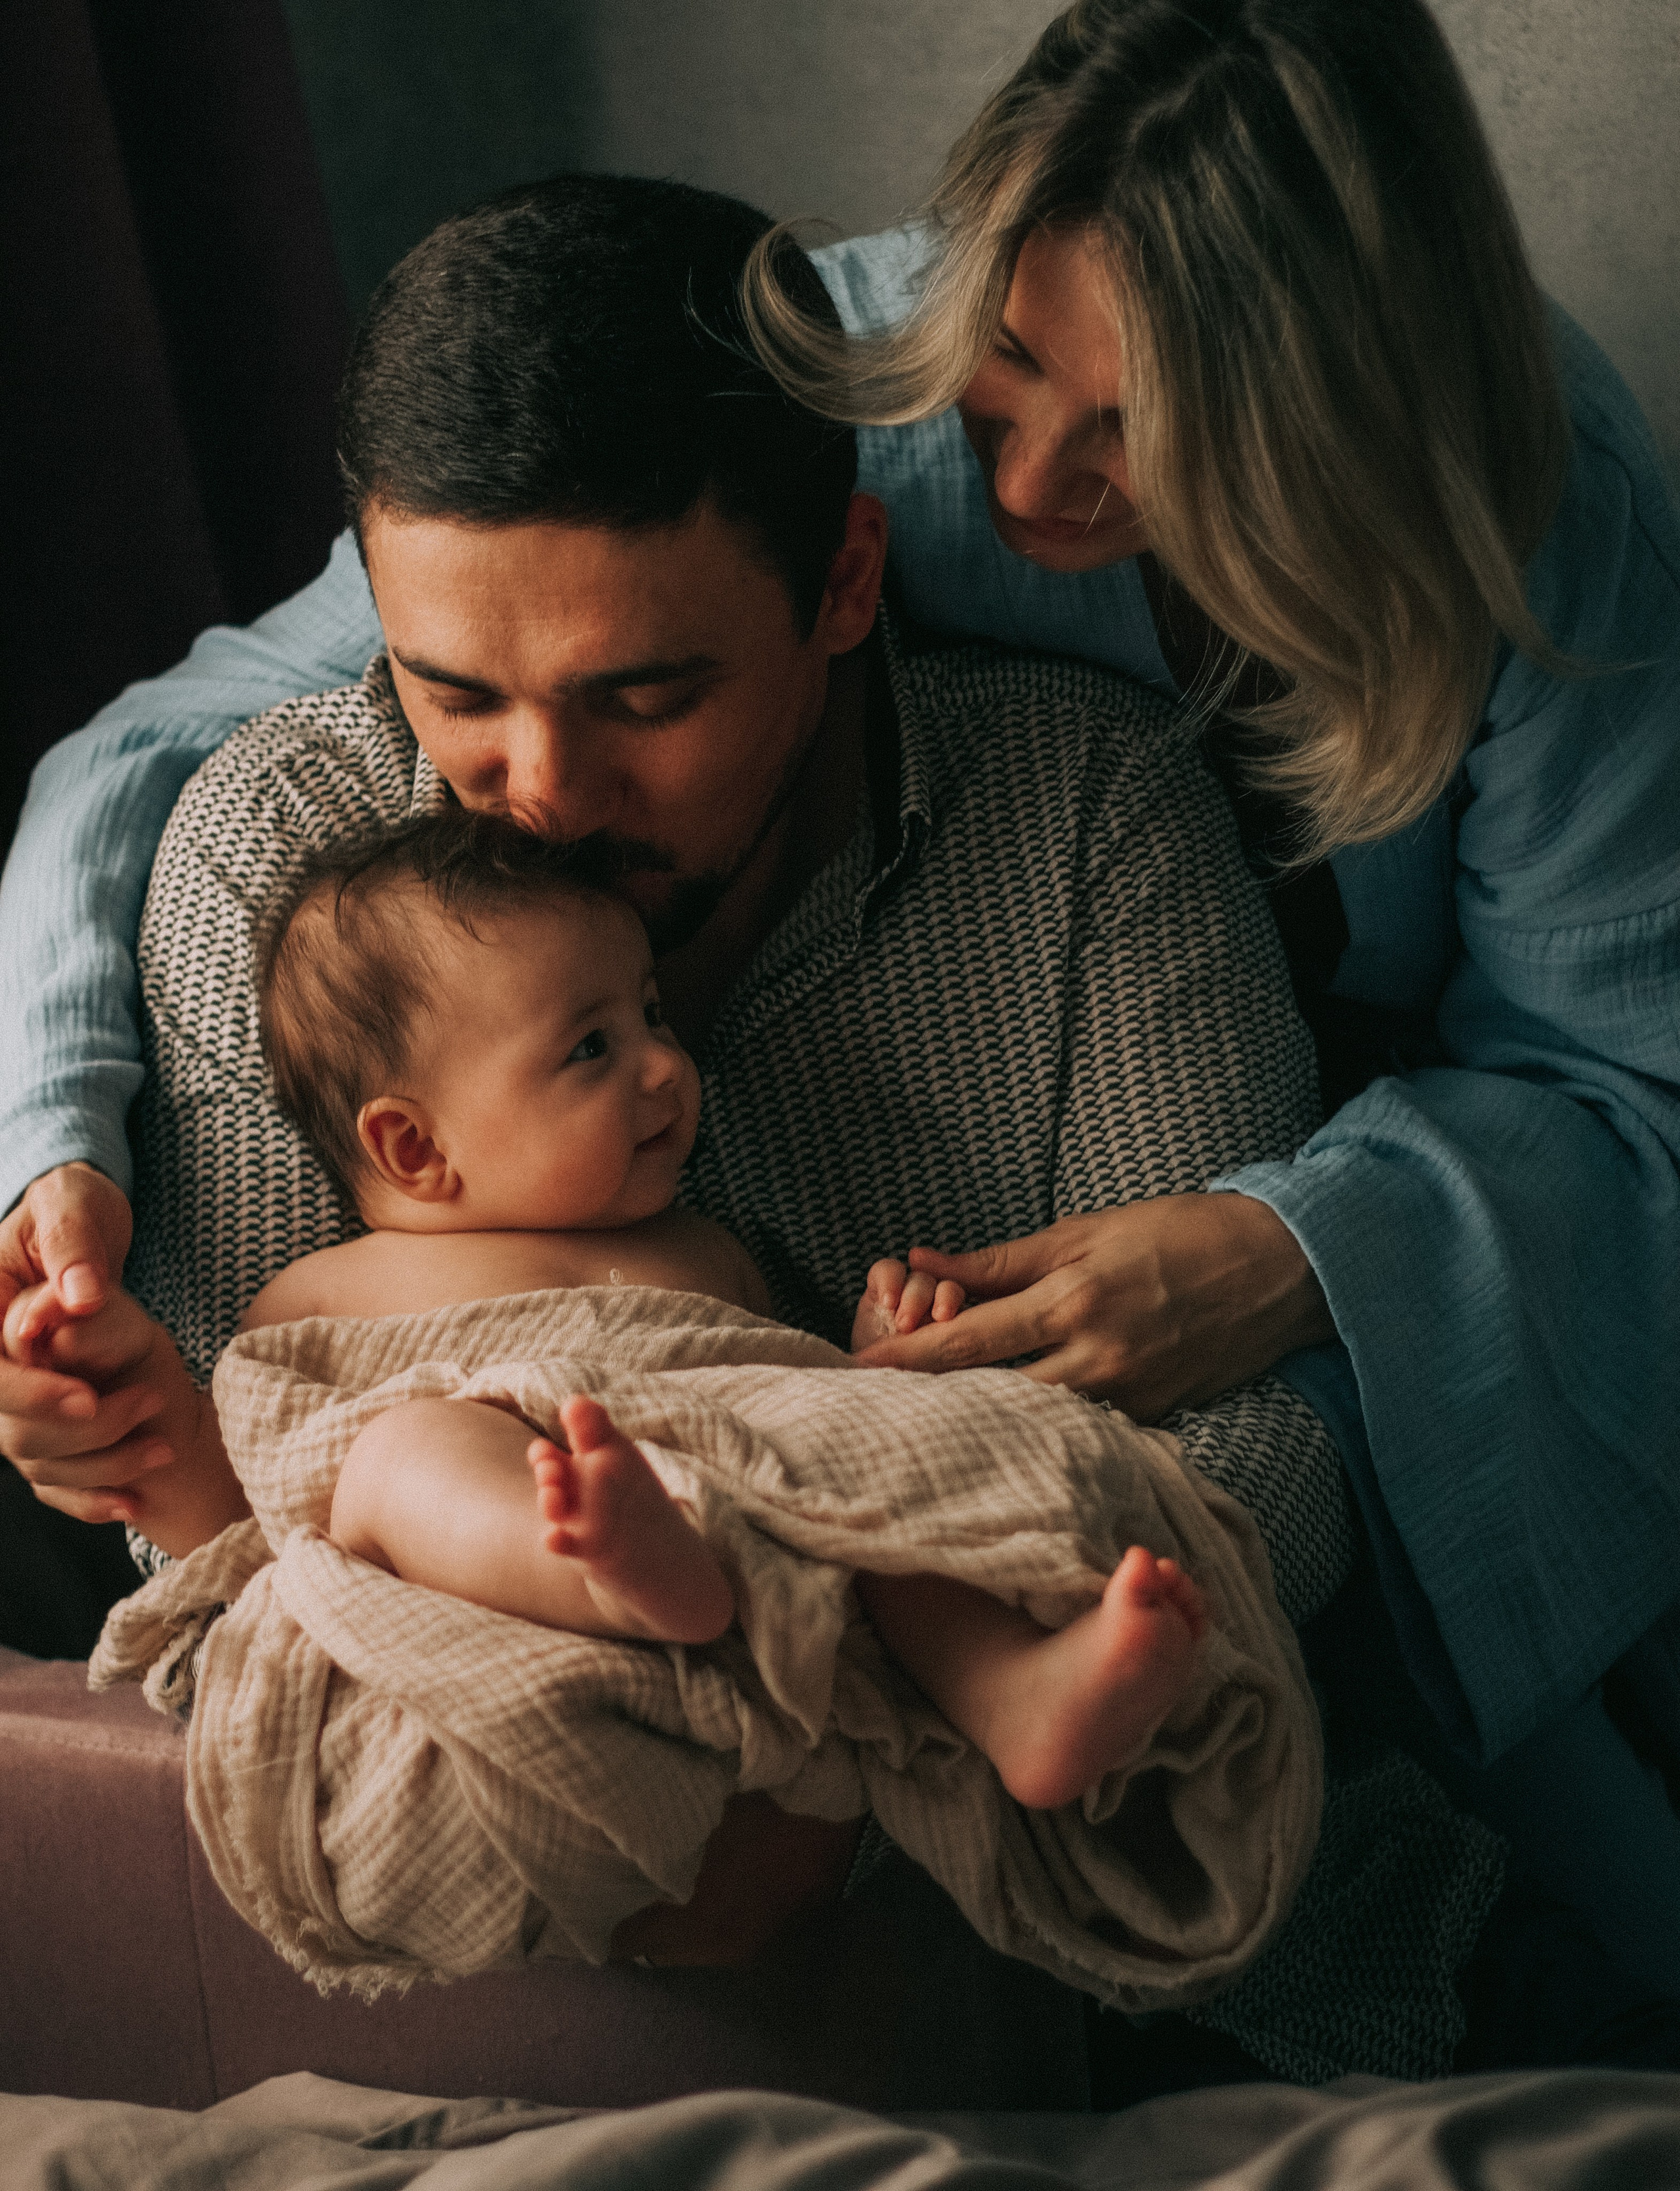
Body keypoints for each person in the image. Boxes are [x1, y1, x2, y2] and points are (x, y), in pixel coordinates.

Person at [7, 808, 1211, 1816]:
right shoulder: (318, 1295)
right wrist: (143, 1401)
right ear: (415, 1146)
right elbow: (258, 1510)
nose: (664, 1068)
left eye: (653, 1015)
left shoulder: (712, 1252)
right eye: (592, 1045)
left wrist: (884, 1363)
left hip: (741, 1538)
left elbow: (800, 1399)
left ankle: (1017, 1696)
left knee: (864, 1489)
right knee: (391, 1459)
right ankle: (600, 1566)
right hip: (526, 1587)